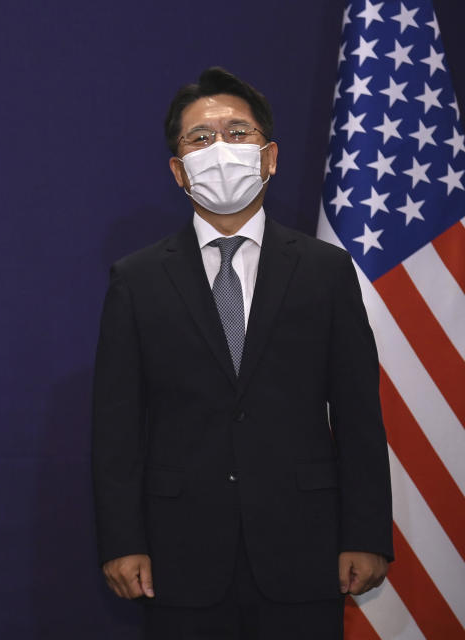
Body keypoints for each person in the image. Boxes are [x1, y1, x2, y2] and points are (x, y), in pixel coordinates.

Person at [91, 67, 392, 639]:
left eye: (237, 131)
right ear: (179, 171)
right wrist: (122, 541)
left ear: (270, 157)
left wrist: (367, 533)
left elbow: (358, 413)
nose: (221, 149)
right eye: (200, 138)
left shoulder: (325, 271)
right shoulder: (136, 279)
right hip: (179, 556)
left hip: (304, 549)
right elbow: (116, 426)